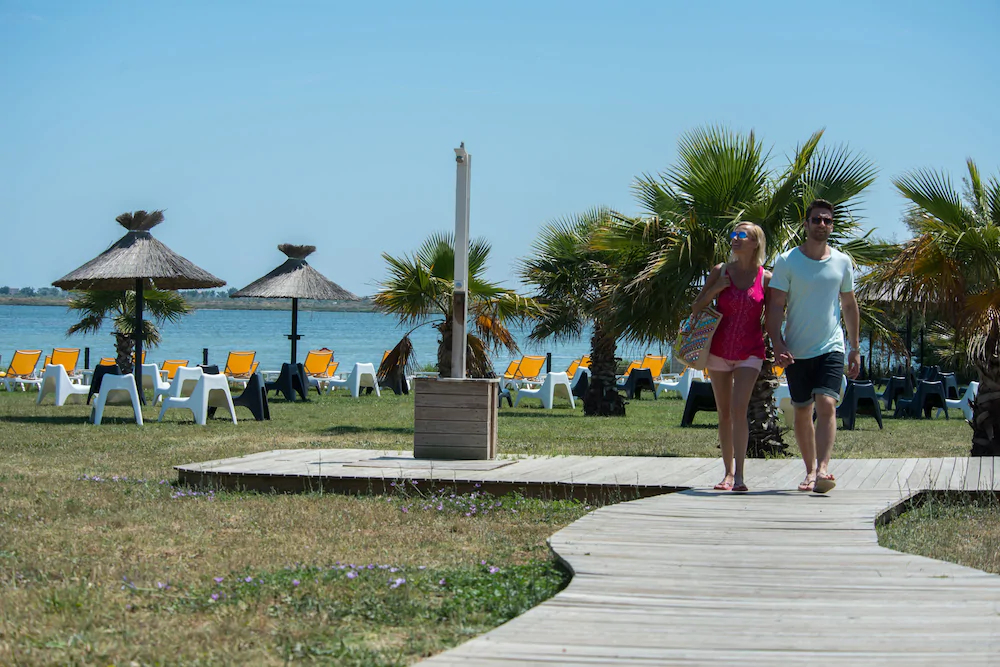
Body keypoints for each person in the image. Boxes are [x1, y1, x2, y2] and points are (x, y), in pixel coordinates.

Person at [766, 199, 860, 493]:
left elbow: (849, 305)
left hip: (831, 345)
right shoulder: (787, 261)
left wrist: (855, 347)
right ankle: (809, 471)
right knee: (802, 410)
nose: (822, 224)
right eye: (816, 219)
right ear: (806, 224)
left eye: (827, 221)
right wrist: (777, 342)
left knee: (827, 403)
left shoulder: (842, 262)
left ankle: (823, 469)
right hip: (796, 349)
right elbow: (775, 305)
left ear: (832, 226)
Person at [690, 222, 770, 493]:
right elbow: (696, 307)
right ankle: (727, 473)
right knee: (724, 413)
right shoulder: (720, 271)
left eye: (741, 235)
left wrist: (780, 341)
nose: (735, 239)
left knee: (738, 409)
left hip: (751, 351)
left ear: (755, 242)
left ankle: (740, 477)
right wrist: (715, 289)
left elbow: (775, 316)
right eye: (733, 234)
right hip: (718, 350)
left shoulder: (765, 278)